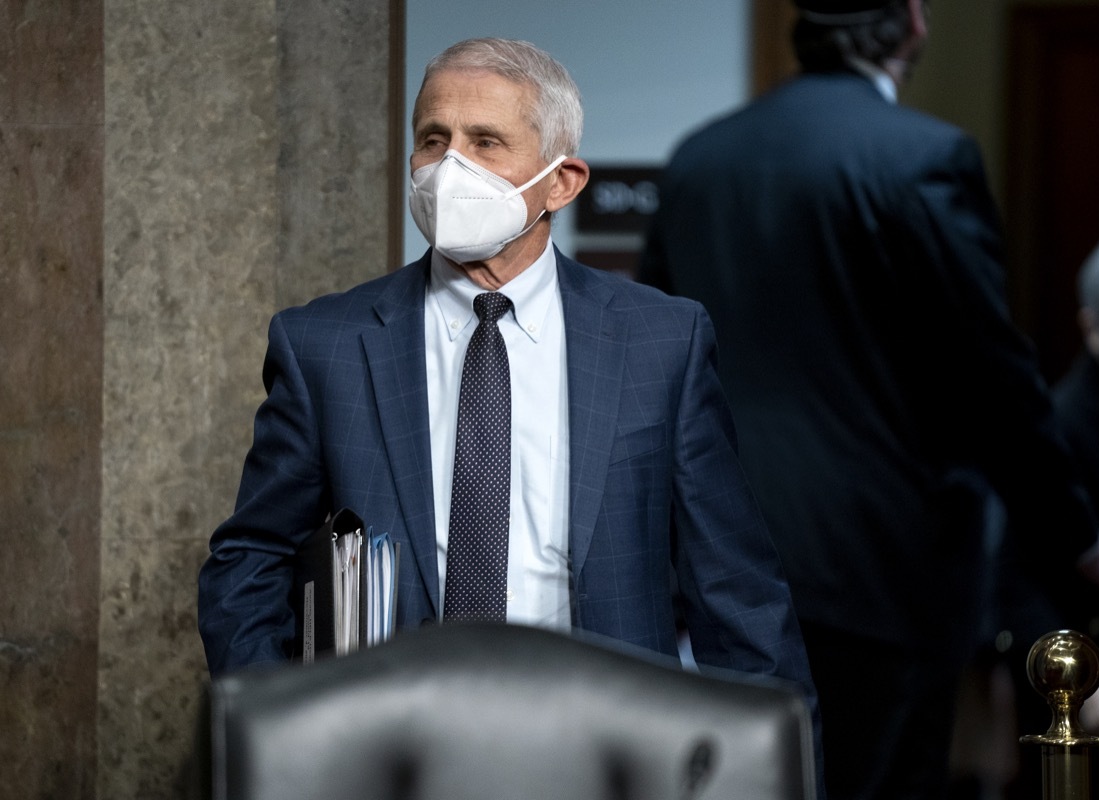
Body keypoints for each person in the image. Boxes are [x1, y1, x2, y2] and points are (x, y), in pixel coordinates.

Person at [197, 37, 819, 724]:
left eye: (485, 141)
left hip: (607, 742)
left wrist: (777, 768)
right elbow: (249, 560)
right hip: (388, 745)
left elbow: (734, 585)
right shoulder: (325, 344)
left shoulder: (660, 342)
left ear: (562, 181)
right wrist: (281, 731)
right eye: (433, 138)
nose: (448, 166)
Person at [639, 2, 1099, 798]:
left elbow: (652, 360)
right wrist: (1073, 534)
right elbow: (991, 372)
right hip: (885, 568)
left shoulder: (698, 159)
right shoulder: (922, 156)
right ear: (913, 27)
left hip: (721, 560)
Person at [999, 234, 1099, 800]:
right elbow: (1018, 579)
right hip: (1087, 685)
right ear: (1090, 324)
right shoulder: (1064, 424)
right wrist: (1081, 689)